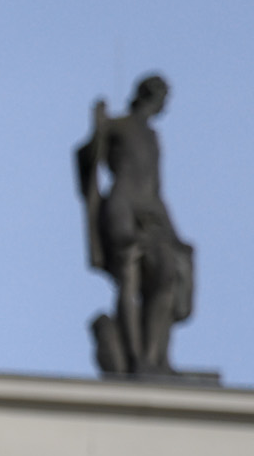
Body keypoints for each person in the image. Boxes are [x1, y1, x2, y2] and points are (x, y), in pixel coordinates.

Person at [77, 73, 196, 378]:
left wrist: (173, 231)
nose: (163, 105)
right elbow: (86, 159)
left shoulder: (153, 136)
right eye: (162, 98)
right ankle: (135, 359)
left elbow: (155, 186)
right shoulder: (117, 125)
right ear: (151, 96)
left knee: (167, 276)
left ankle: (157, 358)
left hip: (152, 211)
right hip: (122, 206)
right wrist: (97, 128)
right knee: (129, 275)